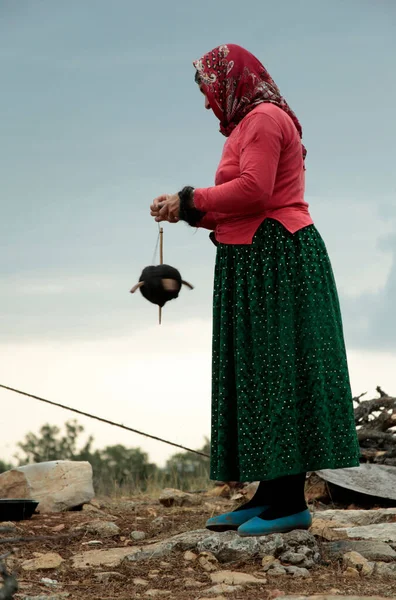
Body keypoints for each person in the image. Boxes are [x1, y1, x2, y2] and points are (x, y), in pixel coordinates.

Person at [150, 44, 360, 536]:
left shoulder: (264, 118)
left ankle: (290, 502)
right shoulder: (247, 125)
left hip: (277, 257)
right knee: (260, 371)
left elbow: (256, 190)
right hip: (254, 257)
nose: (207, 102)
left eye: (208, 90)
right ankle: (269, 494)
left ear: (230, 82)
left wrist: (189, 200)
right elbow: (241, 198)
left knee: (278, 368)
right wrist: (190, 211)